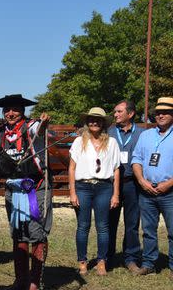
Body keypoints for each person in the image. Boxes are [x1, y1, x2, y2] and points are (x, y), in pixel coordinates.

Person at [0, 94, 52, 290]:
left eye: (15, 109)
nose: (11, 113)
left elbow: (40, 130)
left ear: (23, 111)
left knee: (37, 233)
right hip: (12, 190)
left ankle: (35, 281)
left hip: (35, 188)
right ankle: (20, 280)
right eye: (7, 110)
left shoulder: (32, 126)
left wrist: (44, 123)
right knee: (18, 234)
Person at [68, 107, 121, 276]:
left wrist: (115, 194)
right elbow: (71, 168)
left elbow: (117, 170)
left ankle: (101, 261)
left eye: (98, 120)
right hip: (83, 187)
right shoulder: (78, 141)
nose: (94, 122)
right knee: (83, 226)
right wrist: (73, 192)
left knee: (103, 227)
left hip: (104, 187)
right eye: (91, 119)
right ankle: (82, 261)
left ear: (103, 123)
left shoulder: (111, 142)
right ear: (87, 122)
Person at [131, 96, 173, 278]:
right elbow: (137, 159)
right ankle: (148, 263)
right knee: (148, 230)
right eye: (158, 113)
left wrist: (168, 184)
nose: (160, 115)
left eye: (165, 112)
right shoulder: (145, 135)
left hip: (170, 192)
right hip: (146, 191)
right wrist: (142, 181)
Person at [106, 100, 143, 273]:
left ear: (131, 113)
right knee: (108, 222)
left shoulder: (142, 134)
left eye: (119, 111)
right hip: (111, 185)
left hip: (132, 184)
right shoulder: (109, 133)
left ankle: (131, 259)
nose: (115, 115)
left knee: (132, 223)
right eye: (115, 112)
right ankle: (107, 257)